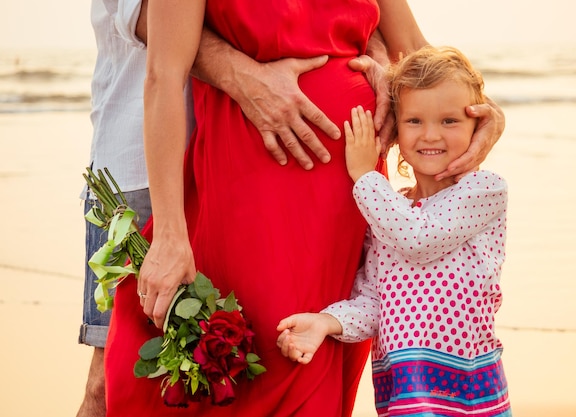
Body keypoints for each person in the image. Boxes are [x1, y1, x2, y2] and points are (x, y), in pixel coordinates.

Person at [103, 2, 505, 417]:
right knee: (268, 353)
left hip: (349, 197)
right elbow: (163, 75)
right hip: (253, 184)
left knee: (314, 347)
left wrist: (487, 115)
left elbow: (417, 52)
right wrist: (171, 233)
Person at [277, 46, 512, 416]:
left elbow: (417, 239)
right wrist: (326, 321)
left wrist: (365, 175)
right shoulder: (390, 210)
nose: (431, 135)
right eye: (415, 121)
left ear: (478, 124)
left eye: (449, 121)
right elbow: (375, 303)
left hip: (466, 393)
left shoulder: (483, 191)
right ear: (395, 130)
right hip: (404, 392)